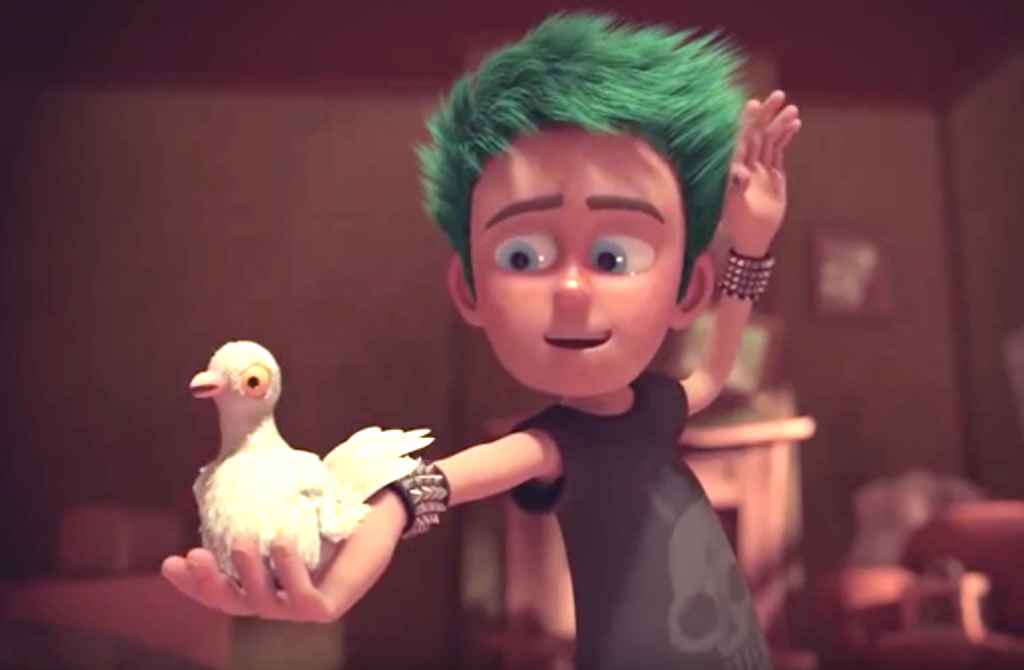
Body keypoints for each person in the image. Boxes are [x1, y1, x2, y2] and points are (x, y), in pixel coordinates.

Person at [162, 12, 801, 670]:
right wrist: (333, 593)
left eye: (615, 256)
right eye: (524, 256)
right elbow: (413, 494)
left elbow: (710, 376)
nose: (572, 290)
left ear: (689, 292)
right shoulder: (554, 445)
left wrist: (752, 242)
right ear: (470, 291)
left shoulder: (658, 406)